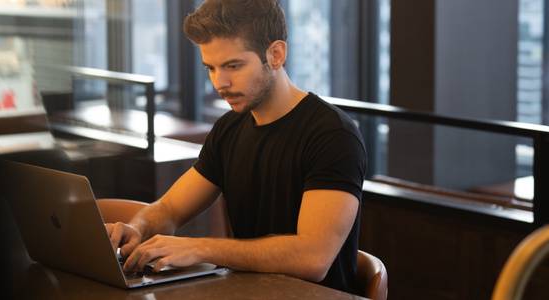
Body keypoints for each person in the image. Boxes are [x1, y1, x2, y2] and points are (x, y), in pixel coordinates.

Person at [106, 0, 367, 293]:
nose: (220, 82)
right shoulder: (229, 128)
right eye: (211, 68)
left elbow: (313, 257)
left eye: (233, 65)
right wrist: (136, 229)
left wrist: (202, 248)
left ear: (276, 54)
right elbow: (168, 209)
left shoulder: (333, 134)